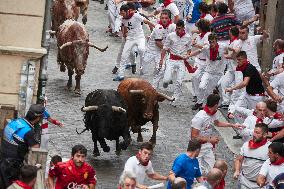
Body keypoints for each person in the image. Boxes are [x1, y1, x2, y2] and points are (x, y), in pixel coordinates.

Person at [190, 94, 244, 174]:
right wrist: (210, 139)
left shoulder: (213, 113)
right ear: (216, 105)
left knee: (213, 168)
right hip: (197, 147)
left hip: (207, 146)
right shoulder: (199, 118)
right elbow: (194, 136)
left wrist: (233, 125)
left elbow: (217, 123)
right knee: (196, 171)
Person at [0, 104, 44, 188]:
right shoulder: (29, 132)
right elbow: (36, 151)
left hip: (3, 160)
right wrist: (34, 167)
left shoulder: (15, 121)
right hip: (12, 168)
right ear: (38, 118)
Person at [113, 4, 155, 81]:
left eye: (123, 13)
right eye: (121, 13)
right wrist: (125, 37)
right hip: (130, 39)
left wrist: (156, 27)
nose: (122, 15)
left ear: (128, 11)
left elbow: (147, 21)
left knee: (141, 49)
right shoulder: (123, 19)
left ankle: (142, 67)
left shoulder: (136, 16)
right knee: (124, 55)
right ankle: (120, 75)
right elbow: (125, 28)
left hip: (140, 37)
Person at [189, 33, 227, 110]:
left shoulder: (223, 46)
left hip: (218, 74)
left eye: (213, 42)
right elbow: (198, 51)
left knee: (209, 91)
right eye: (210, 42)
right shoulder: (207, 48)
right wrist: (188, 56)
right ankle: (199, 103)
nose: (211, 44)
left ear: (217, 41)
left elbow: (231, 49)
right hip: (208, 72)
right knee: (202, 86)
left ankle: (206, 105)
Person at [159, 19, 192, 104]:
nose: (178, 30)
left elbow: (189, 49)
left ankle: (174, 98)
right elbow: (165, 48)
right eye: (177, 28)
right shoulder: (171, 35)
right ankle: (166, 81)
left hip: (181, 61)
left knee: (179, 81)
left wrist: (187, 55)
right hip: (171, 60)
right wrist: (161, 60)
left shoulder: (188, 37)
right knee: (166, 80)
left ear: (183, 28)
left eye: (180, 28)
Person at [141, 9, 176, 88]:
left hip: (160, 52)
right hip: (150, 51)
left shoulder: (173, 26)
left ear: (169, 19)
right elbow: (158, 43)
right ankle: (142, 85)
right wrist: (170, 50)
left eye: (166, 18)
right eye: (162, 18)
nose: (164, 20)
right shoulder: (158, 27)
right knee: (144, 71)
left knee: (161, 69)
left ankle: (153, 87)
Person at [233, 123, 270, 189]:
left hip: (259, 186)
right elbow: (238, 159)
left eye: (257, 133)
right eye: (254, 132)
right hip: (243, 181)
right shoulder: (246, 145)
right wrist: (237, 170)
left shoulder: (269, 148)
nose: (254, 135)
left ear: (264, 135)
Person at [219, 26, 243, 109]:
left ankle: (234, 106)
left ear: (231, 33)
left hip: (238, 69)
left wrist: (227, 52)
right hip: (231, 68)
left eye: (229, 31)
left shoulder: (237, 42)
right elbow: (227, 53)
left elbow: (235, 53)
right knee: (224, 82)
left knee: (238, 87)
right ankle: (226, 102)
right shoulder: (231, 41)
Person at [190, 19, 211, 106]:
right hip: (199, 60)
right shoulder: (199, 36)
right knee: (195, 77)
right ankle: (197, 96)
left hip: (206, 62)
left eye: (198, 27)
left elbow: (206, 47)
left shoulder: (208, 35)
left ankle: (203, 99)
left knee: (203, 82)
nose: (197, 29)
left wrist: (195, 45)